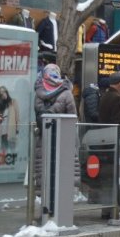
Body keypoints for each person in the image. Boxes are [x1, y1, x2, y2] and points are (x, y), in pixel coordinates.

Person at [34, 63, 77, 192]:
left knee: (45, 169)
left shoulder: (38, 93)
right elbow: (73, 119)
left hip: (44, 137)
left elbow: (38, 113)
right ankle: (60, 201)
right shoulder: (67, 93)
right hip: (63, 139)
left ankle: (47, 203)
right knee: (61, 171)